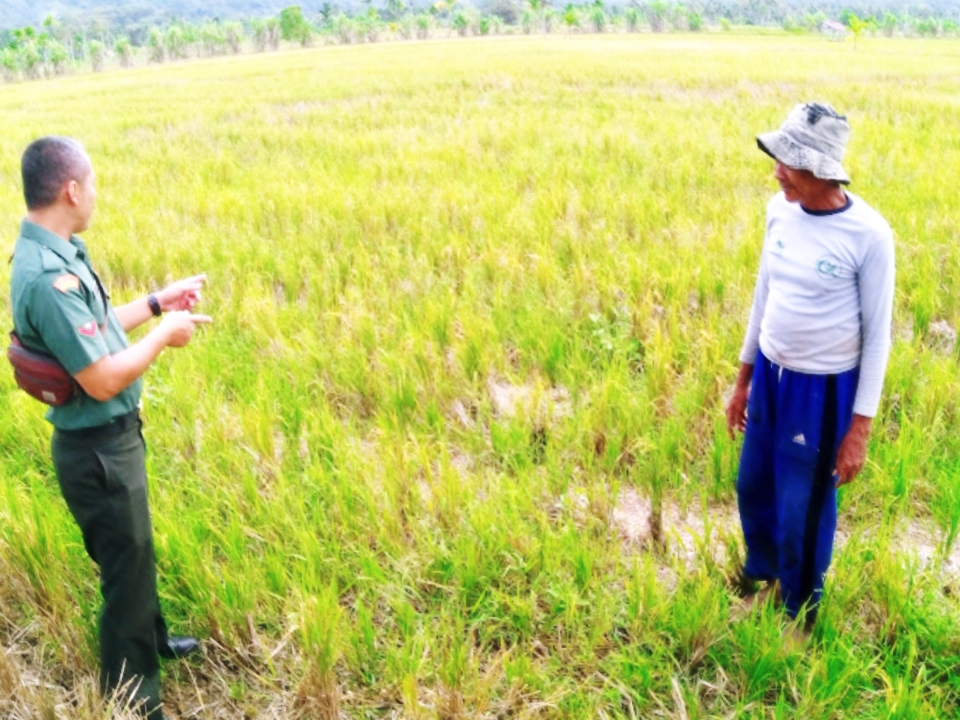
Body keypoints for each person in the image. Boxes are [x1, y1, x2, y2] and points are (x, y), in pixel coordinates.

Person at [10, 136, 212, 719]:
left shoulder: (59, 251)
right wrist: (163, 337)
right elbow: (100, 378)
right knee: (124, 570)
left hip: (108, 442)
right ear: (71, 189)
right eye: (92, 183)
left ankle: (149, 643)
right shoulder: (48, 276)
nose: (96, 194)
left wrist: (154, 303)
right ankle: (135, 698)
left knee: (135, 554)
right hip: (98, 450)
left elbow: (93, 329)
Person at [725, 103, 895, 636]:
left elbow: (879, 339)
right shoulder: (780, 211)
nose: (777, 171)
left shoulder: (868, 235)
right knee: (753, 485)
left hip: (821, 391)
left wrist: (859, 431)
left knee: (805, 504)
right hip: (770, 379)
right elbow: (763, 295)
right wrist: (743, 379)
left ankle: (800, 613)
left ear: (821, 168)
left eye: (789, 162)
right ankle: (771, 578)